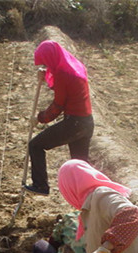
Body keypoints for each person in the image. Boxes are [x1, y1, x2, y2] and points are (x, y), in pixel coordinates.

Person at [24, 41, 94, 197]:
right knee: (81, 166)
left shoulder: (62, 73)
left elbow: (57, 105)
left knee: (35, 145)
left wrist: (40, 118)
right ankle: (89, 198)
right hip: (87, 123)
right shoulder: (73, 68)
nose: (45, 66)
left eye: (45, 63)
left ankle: (40, 185)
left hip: (74, 123)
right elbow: (66, 90)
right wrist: (45, 79)